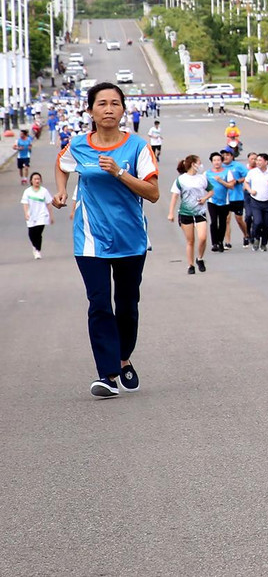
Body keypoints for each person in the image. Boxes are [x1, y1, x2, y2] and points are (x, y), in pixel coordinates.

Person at [53, 82, 160, 398]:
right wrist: (61, 191)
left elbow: (153, 193)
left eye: (115, 103)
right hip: (90, 240)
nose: (109, 109)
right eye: (102, 103)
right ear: (90, 111)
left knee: (127, 306)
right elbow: (61, 165)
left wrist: (119, 173)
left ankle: (123, 356)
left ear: (124, 110)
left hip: (130, 239)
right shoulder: (78, 145)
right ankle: (108, 375)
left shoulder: (137, 147)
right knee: (99, 303)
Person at [167, 154, 211, 275]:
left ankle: (200, 258)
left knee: (203, 237)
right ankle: (190, 265)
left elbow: (211, 190)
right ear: (193, 164)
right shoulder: (181, 179)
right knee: (190, 241)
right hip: (186, 213)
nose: (201, 165)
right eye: (199, 162)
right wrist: (171, 213)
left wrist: (205, 198)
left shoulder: (202, 178)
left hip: (200, 212)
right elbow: (175, 196)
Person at [244, 152, 268, 251]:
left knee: (266, 225)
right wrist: (250, 190)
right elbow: (246, 182)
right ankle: (256, 238)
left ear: (266, 162)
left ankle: (264, 243)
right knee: (258, 222)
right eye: (257, 160)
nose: (257, 162)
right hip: (255, 201)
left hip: (267, 202)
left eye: (260, 160)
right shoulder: (252, 172)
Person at [21, 171, 54, 259]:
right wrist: (26, 214)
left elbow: (48, 204)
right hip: (31, 215)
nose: (37, 181)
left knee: (39, 232)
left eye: (38, 179)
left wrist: (51, 216)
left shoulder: (44, 191)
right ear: (31, 181)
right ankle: (34, 246)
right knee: (32, 233)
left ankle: (37, 250)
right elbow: (25, 203)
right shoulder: (27, 192)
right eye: (35, 179)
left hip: (42, 215)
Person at [223, 148, 251, 247]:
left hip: (237, 196)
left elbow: (248, 176)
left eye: (227, 155)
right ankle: (227, 242)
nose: (225, 157)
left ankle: (246, 235)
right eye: (224, 155)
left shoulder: (238, 166)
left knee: (239, 219)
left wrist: (237, 181)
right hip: (225, 197)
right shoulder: (220, 166)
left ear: (232, 156)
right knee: (226, 219)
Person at [206, 152, 233, 252]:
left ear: (221, 161)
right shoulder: (207, 173)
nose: (216, 162)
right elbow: (202, 186)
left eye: (218, 160)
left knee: (222, 222)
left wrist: (221, 181)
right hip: (212, 200)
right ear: (212, 162)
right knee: (213, 222)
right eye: (214, 160)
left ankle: (221, 241)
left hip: (224, 201)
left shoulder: (227, 172)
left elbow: (231, 186)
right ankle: (214, 243)